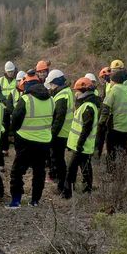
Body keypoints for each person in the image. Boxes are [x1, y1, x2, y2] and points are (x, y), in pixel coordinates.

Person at [7, 73, 54, 208]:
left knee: (17, 172)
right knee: (39, 172)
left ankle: (15, 201)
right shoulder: (51, 100)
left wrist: (14, 132)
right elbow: (54, 118)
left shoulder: (26, 99)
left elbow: (15, 118)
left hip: (25, 141)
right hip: (44, 141)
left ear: (27, 85)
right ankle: (35, 201)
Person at [65, 78, 101, 199]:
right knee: (85, 167)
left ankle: (67, 193)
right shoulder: (87, 105)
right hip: (84, 145)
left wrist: (79, 144)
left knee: (71, 169)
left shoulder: (88, 107)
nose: (76, 93)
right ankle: (87, 189)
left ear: (84, 91)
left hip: (81, 145)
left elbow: (86, 128)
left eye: (78, 91)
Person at [98, 70, 127, 174]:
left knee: (111, 149)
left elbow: (105, 109)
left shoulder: (113, 90)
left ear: (113, 80)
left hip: (116, 127)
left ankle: (111, 171)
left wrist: (101, 124)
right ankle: (121, 170)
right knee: (123, 149)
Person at [45, 69, 74, 198]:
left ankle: (63, 186)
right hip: (65, 132)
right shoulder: (65, 92)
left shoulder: (62, 96)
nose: (50, 87)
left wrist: (52, 134)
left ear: (56, 83)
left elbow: (59, 119)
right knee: (59, 160)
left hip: (61, 134)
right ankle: (64, 185)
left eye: (51, 84)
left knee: (59, 161)